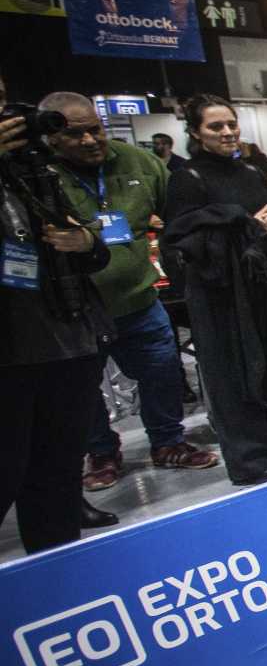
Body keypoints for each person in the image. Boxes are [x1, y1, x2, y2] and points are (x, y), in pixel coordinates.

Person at [41, 92, 220, 490]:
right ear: (52, 137)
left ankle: (168, 441)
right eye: (76, 134)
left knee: (162, 370)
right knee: (84, 386)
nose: (90, 141)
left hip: (139, 297)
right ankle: (101, 452)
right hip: (75, 308)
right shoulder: (40, 172)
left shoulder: (137, 161)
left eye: (95, 129)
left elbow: (179, 215)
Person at [160, 95, 267, 485]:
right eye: (215, 126)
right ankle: (252, 459)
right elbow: (184, 240)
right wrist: (242, 223)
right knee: (233, 372)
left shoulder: (253, 173)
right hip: (220, 294)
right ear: (195, 132)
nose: (227, 132)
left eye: (231, 124)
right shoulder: (187, 179)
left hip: (265, 285)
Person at [2, 78, 118, 548]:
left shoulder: (29, 168)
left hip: (64, 334)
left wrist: (86, 241)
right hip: (8, 351)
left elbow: (88, 244)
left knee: (54, 475)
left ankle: (58, 584)